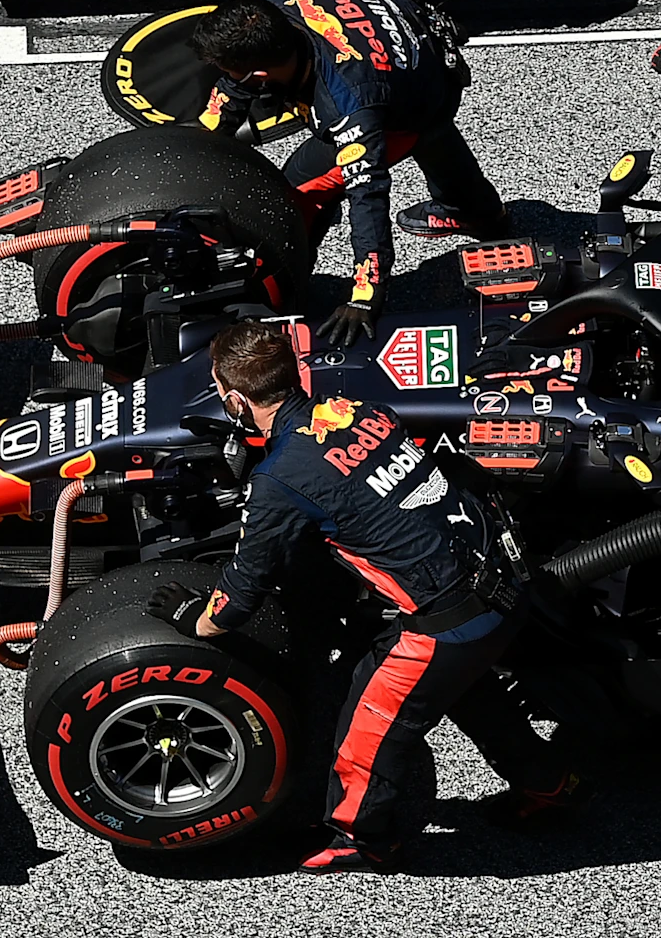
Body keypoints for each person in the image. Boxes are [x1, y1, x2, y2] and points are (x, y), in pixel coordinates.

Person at [194, 321, 579, 870]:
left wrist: (196, 628)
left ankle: (359, 838)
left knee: (370, 719)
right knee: (469, 694)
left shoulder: (280, 480)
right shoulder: (361, 410)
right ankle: (553, 786)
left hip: (447, 620)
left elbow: (238, 596)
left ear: (235, 401)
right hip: (504, 583)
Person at [188, 0, 509, 345]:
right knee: (433, 128)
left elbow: (368, 197)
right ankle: (480, 214)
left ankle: (286, 288)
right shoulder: (267, 8)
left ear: (261, 75)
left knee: (298, 190)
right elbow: (237, 85)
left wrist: (365, 295)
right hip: (415, 46)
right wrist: (204, 149)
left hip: (410, 93)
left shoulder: (350, 105)